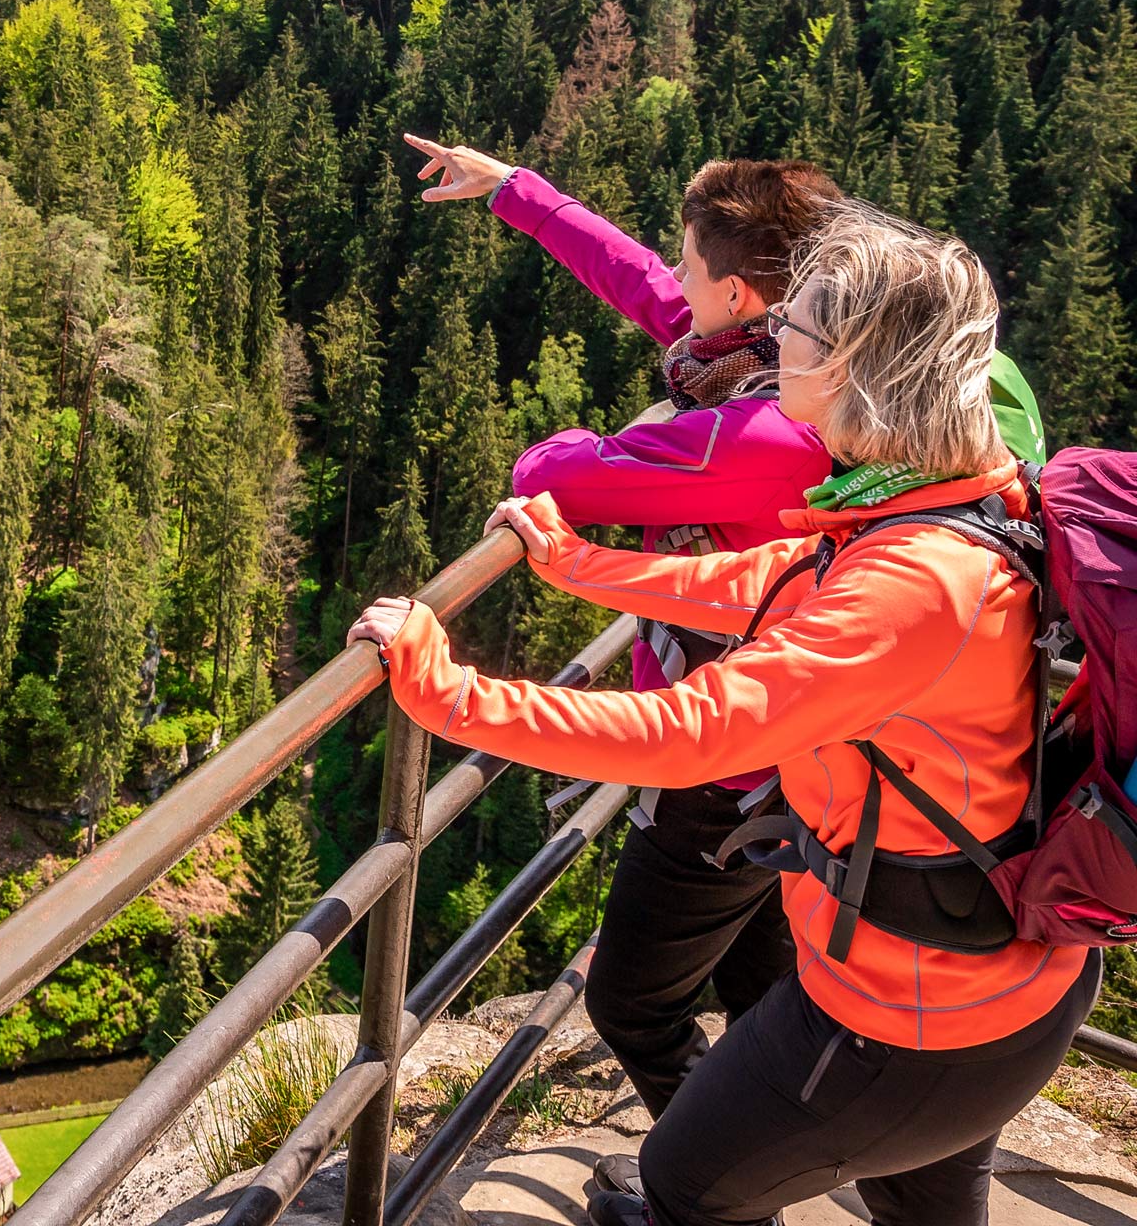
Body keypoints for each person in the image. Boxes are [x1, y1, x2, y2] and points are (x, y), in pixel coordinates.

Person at [350, 208, 1095, 1226]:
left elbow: (692, 731)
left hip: (906, 1019)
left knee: (682, 1188)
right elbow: (770, 581)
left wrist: (445, 692)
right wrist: (582, 566)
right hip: (982, 986)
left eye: (796, 323)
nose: (775, 331)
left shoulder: (913, 581)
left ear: (847, 370)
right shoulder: (953, 497)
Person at [405, 134, 839, 1116]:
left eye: (690, 259)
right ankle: (766, 1154)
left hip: (719, 770)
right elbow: (643, 281)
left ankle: (710, 1186)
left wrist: (628, 435)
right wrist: (514, 189)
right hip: (798, 741)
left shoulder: (758, 431)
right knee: (759, 983)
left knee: (631, 1002)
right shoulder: (791, 353)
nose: (671, 270)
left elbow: (549, 475)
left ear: (737, 297)